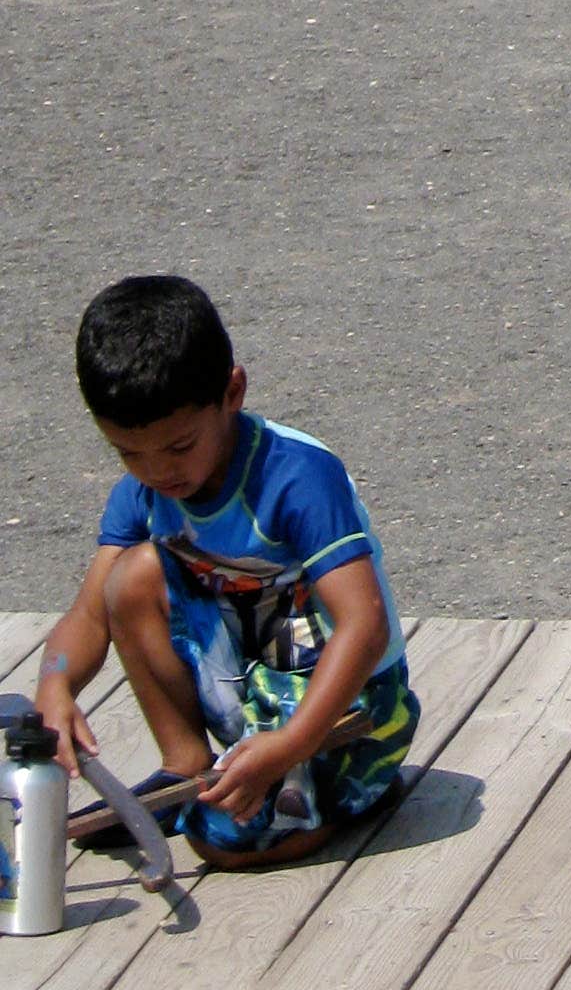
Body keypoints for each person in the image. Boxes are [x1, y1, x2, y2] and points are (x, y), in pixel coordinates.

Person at [32, 276, 417, 868]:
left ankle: (344, 794)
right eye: (130, 453)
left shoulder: (296, 477)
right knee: (130, 577)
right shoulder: (145, 492)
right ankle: (184, 763)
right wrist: (55, 687)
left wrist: (293, 743)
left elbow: (362, 626)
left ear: (232, 392)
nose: (159, 472)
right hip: (255, 680)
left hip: (349, 704)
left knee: (220, 843)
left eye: (179, 446)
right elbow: (90, 613)